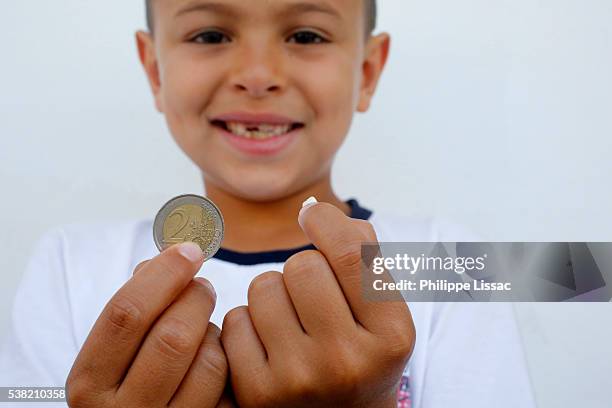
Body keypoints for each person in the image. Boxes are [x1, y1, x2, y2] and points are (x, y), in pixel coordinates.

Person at [0, 0, 536, 407]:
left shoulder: (464, 260)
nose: (257, 76)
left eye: (306, 34)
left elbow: (583, 276)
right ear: (155, 70)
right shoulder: (67, 260)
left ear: (368, 72)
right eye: (210, 34)